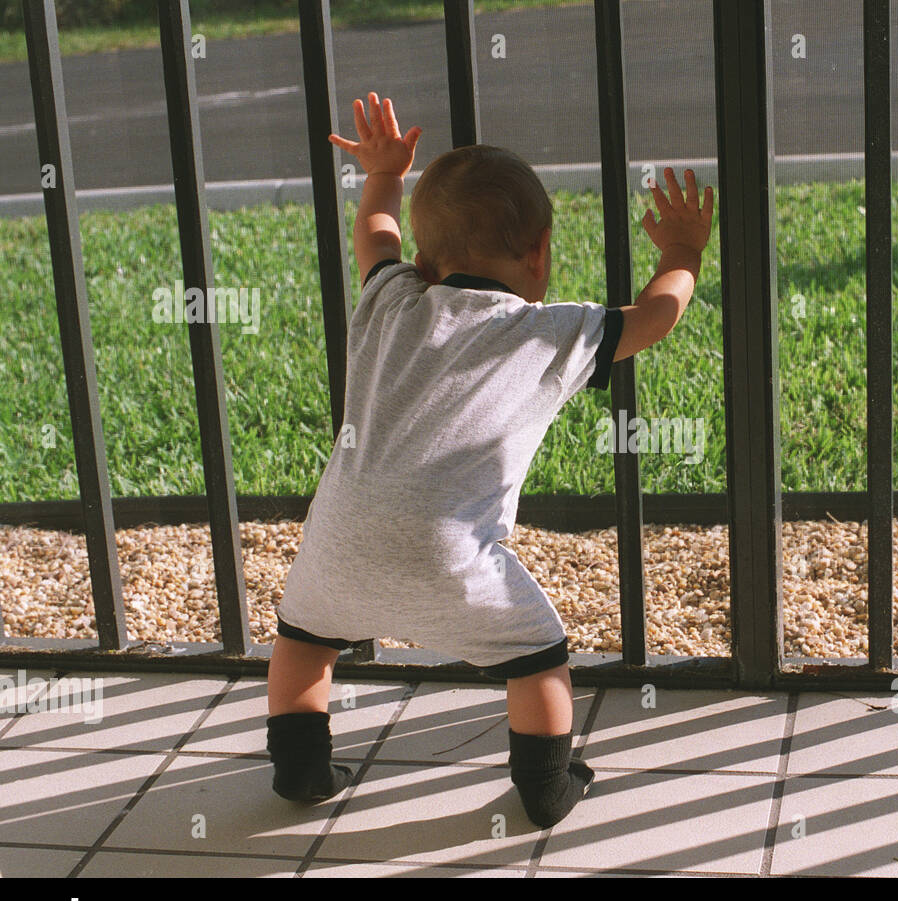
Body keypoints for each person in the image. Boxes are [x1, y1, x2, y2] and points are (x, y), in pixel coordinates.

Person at [265, 92, 713, 828]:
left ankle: (300, 770)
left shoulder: (390, 299)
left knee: (304, 646)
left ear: (423, 255)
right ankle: (545, 785)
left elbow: (374, 233)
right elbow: (657, 317)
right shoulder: (550, 334)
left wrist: (383, 175)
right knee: (538, 657)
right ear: (537, 252)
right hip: (451, 555)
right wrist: (683, 253)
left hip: (336, 538)